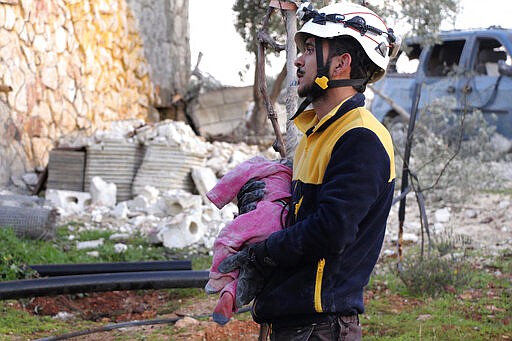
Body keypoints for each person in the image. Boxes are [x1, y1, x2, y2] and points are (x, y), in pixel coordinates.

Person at [218, 2, 401, 340]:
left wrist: (263, 253)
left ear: (342, 63)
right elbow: (300, 218)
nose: (297, 60)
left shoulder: (360, 138)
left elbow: (329, 232)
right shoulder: (317, 133)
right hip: (298, 325)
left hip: (321, 329)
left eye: (310, 50)